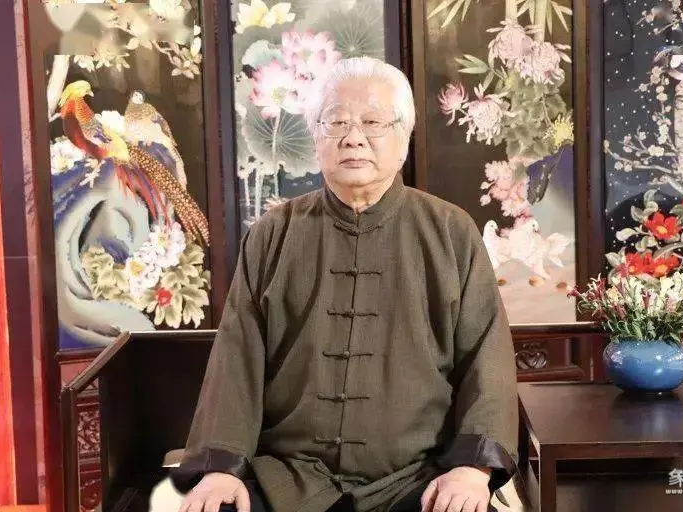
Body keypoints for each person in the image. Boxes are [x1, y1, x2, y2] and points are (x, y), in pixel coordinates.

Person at [172, 56, 518, 512]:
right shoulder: (273, 233)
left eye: (372, 122)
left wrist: (472, 470)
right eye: (336, 122)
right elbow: (237, 355)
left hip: (415, 478)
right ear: (316, 137)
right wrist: (220, 468)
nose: (353, 137)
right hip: (289, 479)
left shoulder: (450, 232)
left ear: (403, 138)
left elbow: (486, 358)